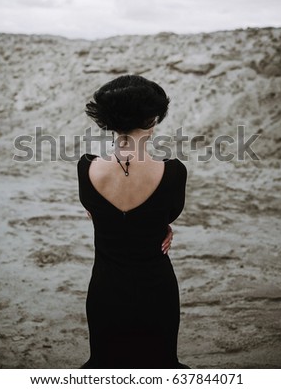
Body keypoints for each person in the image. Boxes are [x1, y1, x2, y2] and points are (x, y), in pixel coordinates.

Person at [77, 74, 188, 368]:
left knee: (106, 367)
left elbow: (95, 213)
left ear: (108, 120)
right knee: (160, 367)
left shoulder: (86, 168)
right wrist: (160, 224)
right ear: (153, 119)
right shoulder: (174, 173)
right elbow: (165, 215)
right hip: (157, 290)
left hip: (105, 290)